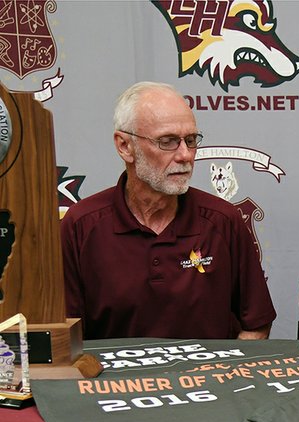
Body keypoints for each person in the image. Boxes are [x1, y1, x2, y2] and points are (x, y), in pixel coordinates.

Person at [61, 81, 276, 340]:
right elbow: (65, 337)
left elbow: (256, 325)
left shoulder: (223, 220)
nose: (186, 155)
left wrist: (225, 378)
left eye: (191, 140)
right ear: (124, 146)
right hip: (115, 381)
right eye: (168, 142)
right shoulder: (80, 226)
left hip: (208, 379)